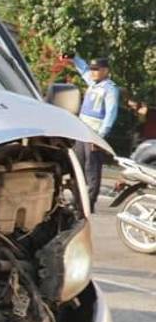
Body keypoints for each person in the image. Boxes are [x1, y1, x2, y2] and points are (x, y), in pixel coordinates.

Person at [71, 55, 120, 210]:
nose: (92, 72)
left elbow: (110, 114)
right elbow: (83, 69)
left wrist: (99, 137)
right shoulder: (92, 83)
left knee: (92, 169)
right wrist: (73, 57)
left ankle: (89, 202)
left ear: (105, 71)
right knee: (77, 167)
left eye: (96, 69)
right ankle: (77, 200)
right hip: (81, 131)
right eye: (92, 69)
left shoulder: (110, 89)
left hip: (94, 134)